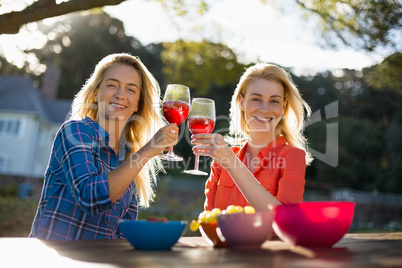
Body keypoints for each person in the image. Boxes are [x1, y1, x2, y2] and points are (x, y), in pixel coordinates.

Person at [29, 53, 178, 240]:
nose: (120, 95)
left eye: (131, 90)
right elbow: (90, 198)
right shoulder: (74, 132)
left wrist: (149, 234)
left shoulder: (128, 157)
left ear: (138, 105)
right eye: (112, 85)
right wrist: (147, 151)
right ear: (95, 93)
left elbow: (121, 234)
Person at [191, 63, 313, 212]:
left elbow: (286, 219)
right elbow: (209, 220)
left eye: (274, 101)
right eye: (256, 99)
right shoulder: (222, 161)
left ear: (283, 107)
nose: (265, 109)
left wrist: (231, 162)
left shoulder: (292, 156)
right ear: (242, 102)